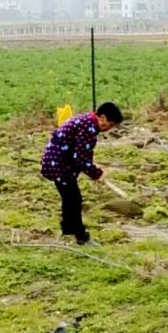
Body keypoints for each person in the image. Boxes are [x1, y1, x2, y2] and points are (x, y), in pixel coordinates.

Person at [40, 102, 124, 244]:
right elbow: (80, 159)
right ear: (102, 118)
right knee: (74, 199)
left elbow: (83, 152)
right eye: (111, 124)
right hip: (60, 165)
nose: (110, 128)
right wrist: (96, 173)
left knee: (69, 198)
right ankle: (81, 236)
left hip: (58, 162)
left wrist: (92, 168)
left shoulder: (87, 121)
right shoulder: (88, 127)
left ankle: (68, 229)